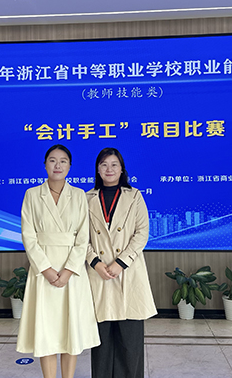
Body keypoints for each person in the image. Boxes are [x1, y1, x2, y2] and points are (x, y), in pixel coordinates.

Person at [16, 144, 100, 378]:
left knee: (69, 331)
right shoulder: (32, 194)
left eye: (63, 161)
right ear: (45, 165)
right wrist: (46, 269)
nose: (57, 165)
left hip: (71, 272)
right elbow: (28, 236)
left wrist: (68, 270)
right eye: (52, 160)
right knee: (47, 331)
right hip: (43, 272)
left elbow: (83, 238)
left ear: (70, 166)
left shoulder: (79, 195)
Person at [86, 147, 157, 378]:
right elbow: (80, 238)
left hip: (127, 272)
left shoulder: (134, 196)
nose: (109, 169)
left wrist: (121, 263)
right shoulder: (86, 198)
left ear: (122, 169)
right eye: (104, 164)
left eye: (114, 164)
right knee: (102, 343)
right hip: (99, 274)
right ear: (98, 169)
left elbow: (142, 233)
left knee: (130, 343)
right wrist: (96, 263)